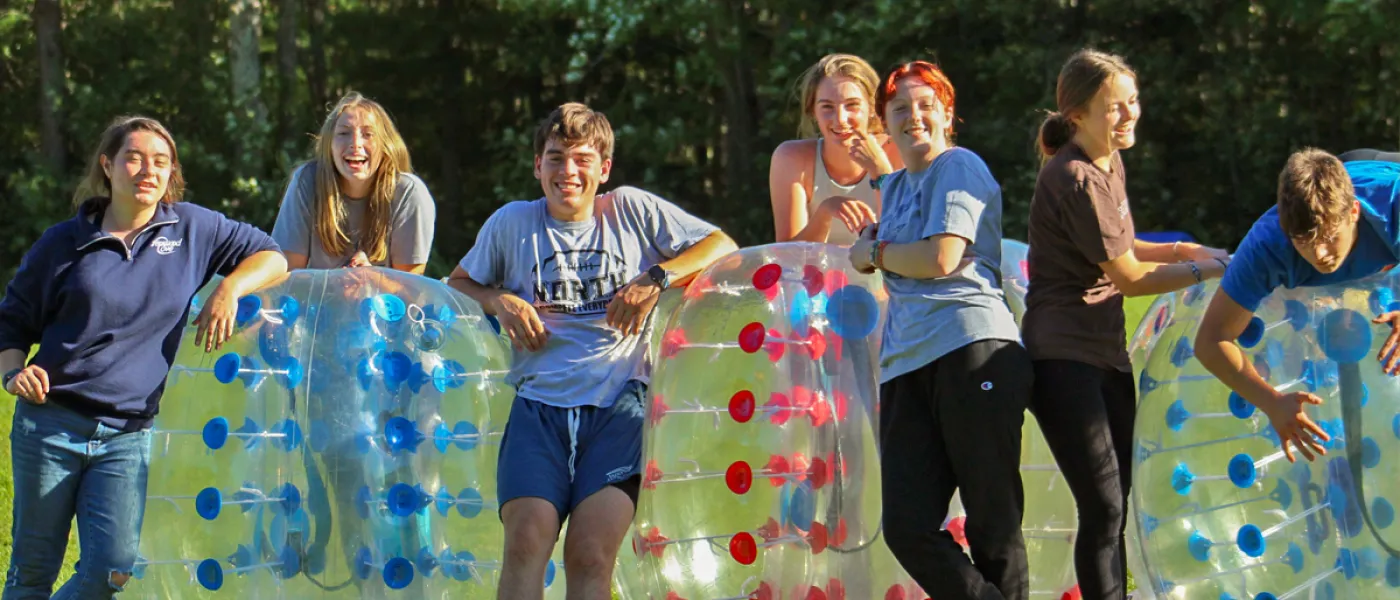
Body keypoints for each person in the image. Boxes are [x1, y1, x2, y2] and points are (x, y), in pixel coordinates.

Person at [446, 102, 736, 600]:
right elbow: (457, 284)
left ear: (604, 168)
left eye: (582, 158)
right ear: (537, 166)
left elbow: (722, 245)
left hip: (618, 406)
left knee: (590, 554)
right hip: (539, 409)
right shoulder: (512, 223)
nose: (568, 172)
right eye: (555, 158)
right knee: (524, 542)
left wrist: (655, 278)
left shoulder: (632, 210)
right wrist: (498, 300)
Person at [0, 116, 287, 598]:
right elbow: (11, 321)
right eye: (133, 158)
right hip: (52, 424)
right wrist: (13, 373)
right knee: (32, 571)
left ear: (171, 172)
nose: (146, 171)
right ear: (108, 166)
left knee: (112, 570)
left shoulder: (194, 228)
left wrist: (229, 289)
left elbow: (273, 256)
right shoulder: (61, 243)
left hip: (128, 435)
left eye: (160, 162)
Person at [1021, 49, 1230, 600]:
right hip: (1063, 358)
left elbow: (1121, 245)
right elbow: (1132, 277)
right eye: (1114, 107)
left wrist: (1186, 248)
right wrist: (1205, 268)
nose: (1129, 114)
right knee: (1104, 505)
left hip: (1106, 354)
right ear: (1078, 116)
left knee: (1118, 498)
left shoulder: (1108, 162)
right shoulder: (1075, 177)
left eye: (1132, 101)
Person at [848, 60, 1033, 600]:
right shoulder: (898, 185)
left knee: (992, 523)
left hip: (972, 346)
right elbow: (878, 248)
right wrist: (872, 247)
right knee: (908, 526)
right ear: (886, 121)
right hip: (906, 363)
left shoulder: (959, 165)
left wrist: (875, 252)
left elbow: (942, 256)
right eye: (900, 108)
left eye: (927, 104)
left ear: (948, 114)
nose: (914, 116)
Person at [1194, 148, 1400, 463]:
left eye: (1330, 238)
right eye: (1304, 243)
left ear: (1354, 212)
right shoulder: (1268, 246)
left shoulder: (1392, 205)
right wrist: (1271, 401)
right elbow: (1211, 340)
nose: (1321, 256)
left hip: (1378, 171)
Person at [272, 91, 436, 273]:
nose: (355, 143)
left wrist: (372, 278)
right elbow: (286, 274)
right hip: (318, 300)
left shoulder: (409, 192)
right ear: (329, 145)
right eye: (344, 133)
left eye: (368, 134)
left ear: (386, 145)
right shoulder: (306, 181)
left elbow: (411, 286)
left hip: (386, 300)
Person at [770, 53, 903, 245]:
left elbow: (903, 240)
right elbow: (787, 256)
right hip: (819, 275)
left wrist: (880, 171)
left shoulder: (899, 151)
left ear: (873, 108)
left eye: (852, 105)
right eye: (827, 107)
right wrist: (824, 213)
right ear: (811, 110)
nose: (840, 119)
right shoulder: (790, 158)